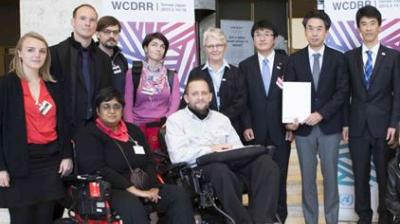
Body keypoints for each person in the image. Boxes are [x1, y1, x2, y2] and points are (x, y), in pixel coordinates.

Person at [165, 75, 279, 224]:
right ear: (186, 98)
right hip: (200, 169)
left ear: (210, 96)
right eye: (195, 94)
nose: (200, 97)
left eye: (204, 93)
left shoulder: (221, 119)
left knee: (266, 164)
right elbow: (178, 156)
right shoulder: (175, 121)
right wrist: (210, 149)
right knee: (220, 170)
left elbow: (237, 147)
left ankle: (262, 220)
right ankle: (241, 221)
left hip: (232, 163)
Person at [75, 87, 194, 224]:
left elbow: (149, 160)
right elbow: (99, 168)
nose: (112, 111)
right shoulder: (89, 134)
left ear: (122, 110)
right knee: (132, 205)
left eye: (116, 106)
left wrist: (153, 186)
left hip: (144, 184)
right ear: (98, 111)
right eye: (106, 107)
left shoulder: (133, 131)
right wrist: (133, 190)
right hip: (112, 188)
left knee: (177, 194)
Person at [0, 32, 73, 224]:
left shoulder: (54, 85)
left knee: (45, 218)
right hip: (19, 164)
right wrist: (1, 167)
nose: (37, 55)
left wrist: (66, 155)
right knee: (22, 218)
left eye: (42, 51)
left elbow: (64, 124)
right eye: (31, 50)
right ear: (20, 53)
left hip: (50, 163)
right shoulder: (6, 85)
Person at [285, 10, 348, 224]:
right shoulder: (294, 60)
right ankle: (310, 220)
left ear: (327, 31)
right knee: (307, 180)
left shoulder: (338, 58)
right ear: (304, 31)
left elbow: (342, 92)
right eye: (310, 28)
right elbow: (290, 92)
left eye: (319, 28)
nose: (314, 33)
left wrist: (321, 113)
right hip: (303, 130)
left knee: (331, 179)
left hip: (330, 127)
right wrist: (291, 120)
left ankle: (332, 219)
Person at [343, 5, 400, 224]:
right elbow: (345, 93)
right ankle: (364, 216)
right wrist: (346, 124)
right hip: (357, 126)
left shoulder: (393, 56)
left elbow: (398, 93)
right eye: (364, 24)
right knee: (360, 175)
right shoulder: (349, 57)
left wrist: (394, 123)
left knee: (386, 177)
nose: (368, 28)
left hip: (384, 127)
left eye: (372, 23)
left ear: (379, 26)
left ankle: (385, 216)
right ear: (358, 28)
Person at [239, 19, 291, 223]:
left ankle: (280, 217)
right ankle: (257, 217)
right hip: (254, 131)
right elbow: (243, 101)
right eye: (258, 34)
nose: (262, 38)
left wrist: (291, 123)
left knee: (280, 176)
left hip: (282, 130)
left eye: (267, 34)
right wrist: (246, 125)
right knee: (255, 178)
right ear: (253, 39)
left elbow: (294, 94)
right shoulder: (245, 66)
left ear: (275, 39)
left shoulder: (287, 63)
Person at [50, 4, 112, 139]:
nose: (87, 23)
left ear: (96, 25)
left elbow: (107, 95)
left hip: (96, 129)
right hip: (62, 131)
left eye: (92, 20)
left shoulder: (104, 59)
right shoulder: (54, 54)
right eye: (83, 18)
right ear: (73, 22)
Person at [183, 27, 246, 136]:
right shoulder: (196, 73)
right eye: (210, 46)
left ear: (225, 47)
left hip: (232, 128)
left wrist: (219, 119)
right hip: (201, 129)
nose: (215, 49)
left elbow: (240, 101)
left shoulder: (237, 72)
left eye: (219, 45)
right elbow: (188, 99)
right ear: (204, 49)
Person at [124, 32, 180, 152]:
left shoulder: (171, 75)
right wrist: (130, 129)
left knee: (161, 164)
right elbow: (127, 104)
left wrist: (168, 122)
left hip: (162, 128)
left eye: (162, 46)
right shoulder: (133, 73)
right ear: (145, 48)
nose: (159, 49)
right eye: (154, 45)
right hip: (138, 126)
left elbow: (175, 103)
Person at [96, 16, 128, 96]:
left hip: (118, 107)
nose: (112, 36)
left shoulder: (121, 59)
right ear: (98, 34)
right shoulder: (89, 58)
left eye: (115, 32)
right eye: (107, 32)